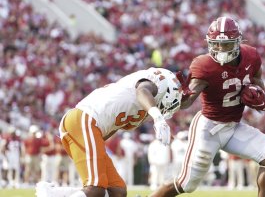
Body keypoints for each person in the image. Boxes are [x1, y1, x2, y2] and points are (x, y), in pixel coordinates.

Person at [150, 16, 265, 197]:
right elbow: (188, 101)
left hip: (233, 127)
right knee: (186, 183)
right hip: (208, 128)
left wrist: (257, 92)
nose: (219, 48)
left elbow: (258, 81)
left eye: (225, 44)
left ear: (237, 42)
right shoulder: (204, 64)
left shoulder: (251, 56)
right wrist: (178, 98)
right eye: (216, 43)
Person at [36, 67, 182, 197]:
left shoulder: (142, 107)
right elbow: (142, 91)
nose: (164, 110)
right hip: (84, 119)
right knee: (95, 188)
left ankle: (52, 193)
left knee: (117, 191)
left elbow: (112, 128)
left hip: (89, 127)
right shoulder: (153, 84)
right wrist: (158, 118)